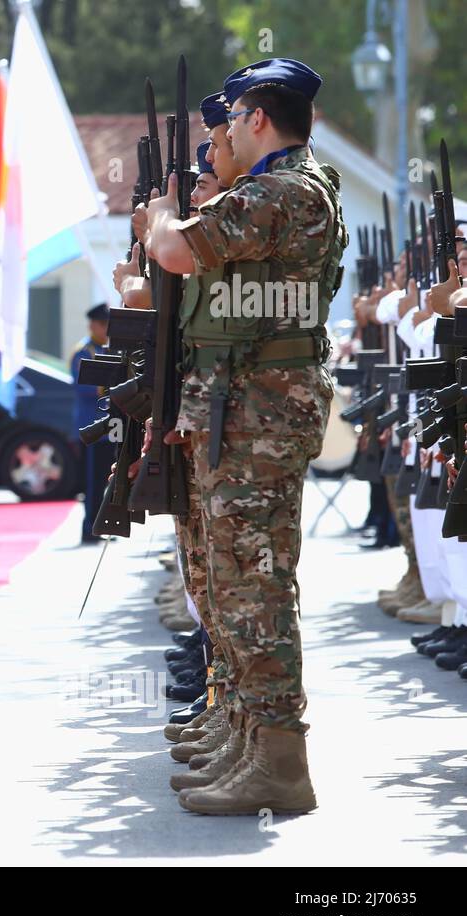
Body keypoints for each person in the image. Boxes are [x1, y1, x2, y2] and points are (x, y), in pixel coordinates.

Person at [144, 58, 344, 815]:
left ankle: (280, 761)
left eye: (231, 117)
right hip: (250, 404)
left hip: (262, 409)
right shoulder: (286, 190)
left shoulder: (285, 190)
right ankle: (254, 739)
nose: (223, 130)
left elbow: (177, 250)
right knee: (235, 582)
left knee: (252, 583)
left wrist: (162, 215)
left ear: (259, 117)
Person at [69, 303, 110, 544]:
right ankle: (90, 528)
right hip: (91, 428)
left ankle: (101, 524)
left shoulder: (109, 348)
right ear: (92, 325)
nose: (106, 329)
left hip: (109, 427)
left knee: (105, 480)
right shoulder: (84, 351)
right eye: (102, 324)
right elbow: (85, 388)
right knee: (92, 482)